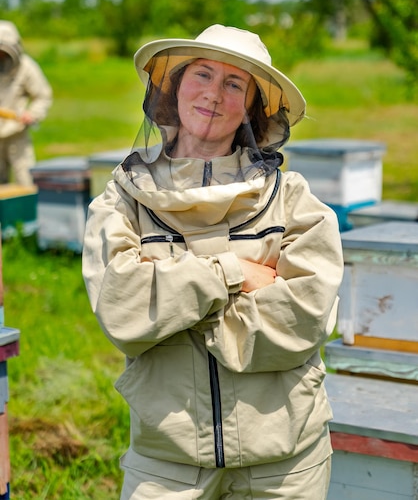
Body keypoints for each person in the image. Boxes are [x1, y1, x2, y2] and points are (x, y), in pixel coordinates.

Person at [82, 24, 344, 500]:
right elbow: (122, 311)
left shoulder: (294, 201)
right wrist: (233, 273)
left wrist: (173, 306)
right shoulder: (122, 201)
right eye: (202, 74)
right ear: (174, 87)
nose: (214, 95)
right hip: (168, 463)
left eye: (233, 84)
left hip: (285, 464)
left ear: (251, 107)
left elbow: (305, 317)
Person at [0, 20, 52, 186]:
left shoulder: (27, 67)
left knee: (26, 181)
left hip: (17, 134)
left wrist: (33, 113)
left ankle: (26, 212)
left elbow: (43, 95)